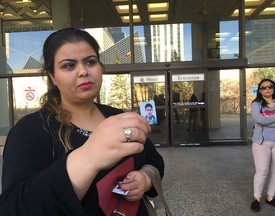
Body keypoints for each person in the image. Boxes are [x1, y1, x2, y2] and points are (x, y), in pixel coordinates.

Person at [0, 28, 164, 216]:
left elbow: (154, 159)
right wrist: (88, 157)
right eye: (69, 66)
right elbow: (13, 207)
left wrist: (144, 179)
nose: (83, 71)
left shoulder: (118, 117)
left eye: (90, 62)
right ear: (53, 76)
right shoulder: (31, 130)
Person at [250, 78, 275, 212]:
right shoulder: (256, 104)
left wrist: (267, 121)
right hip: (261, 142)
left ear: (273, 88)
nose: (267, 89)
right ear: (260, 90)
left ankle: (270, 197)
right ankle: (256, 199)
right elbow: (258, 119)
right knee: (262, 171)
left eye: (269, 86)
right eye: (263, 87)